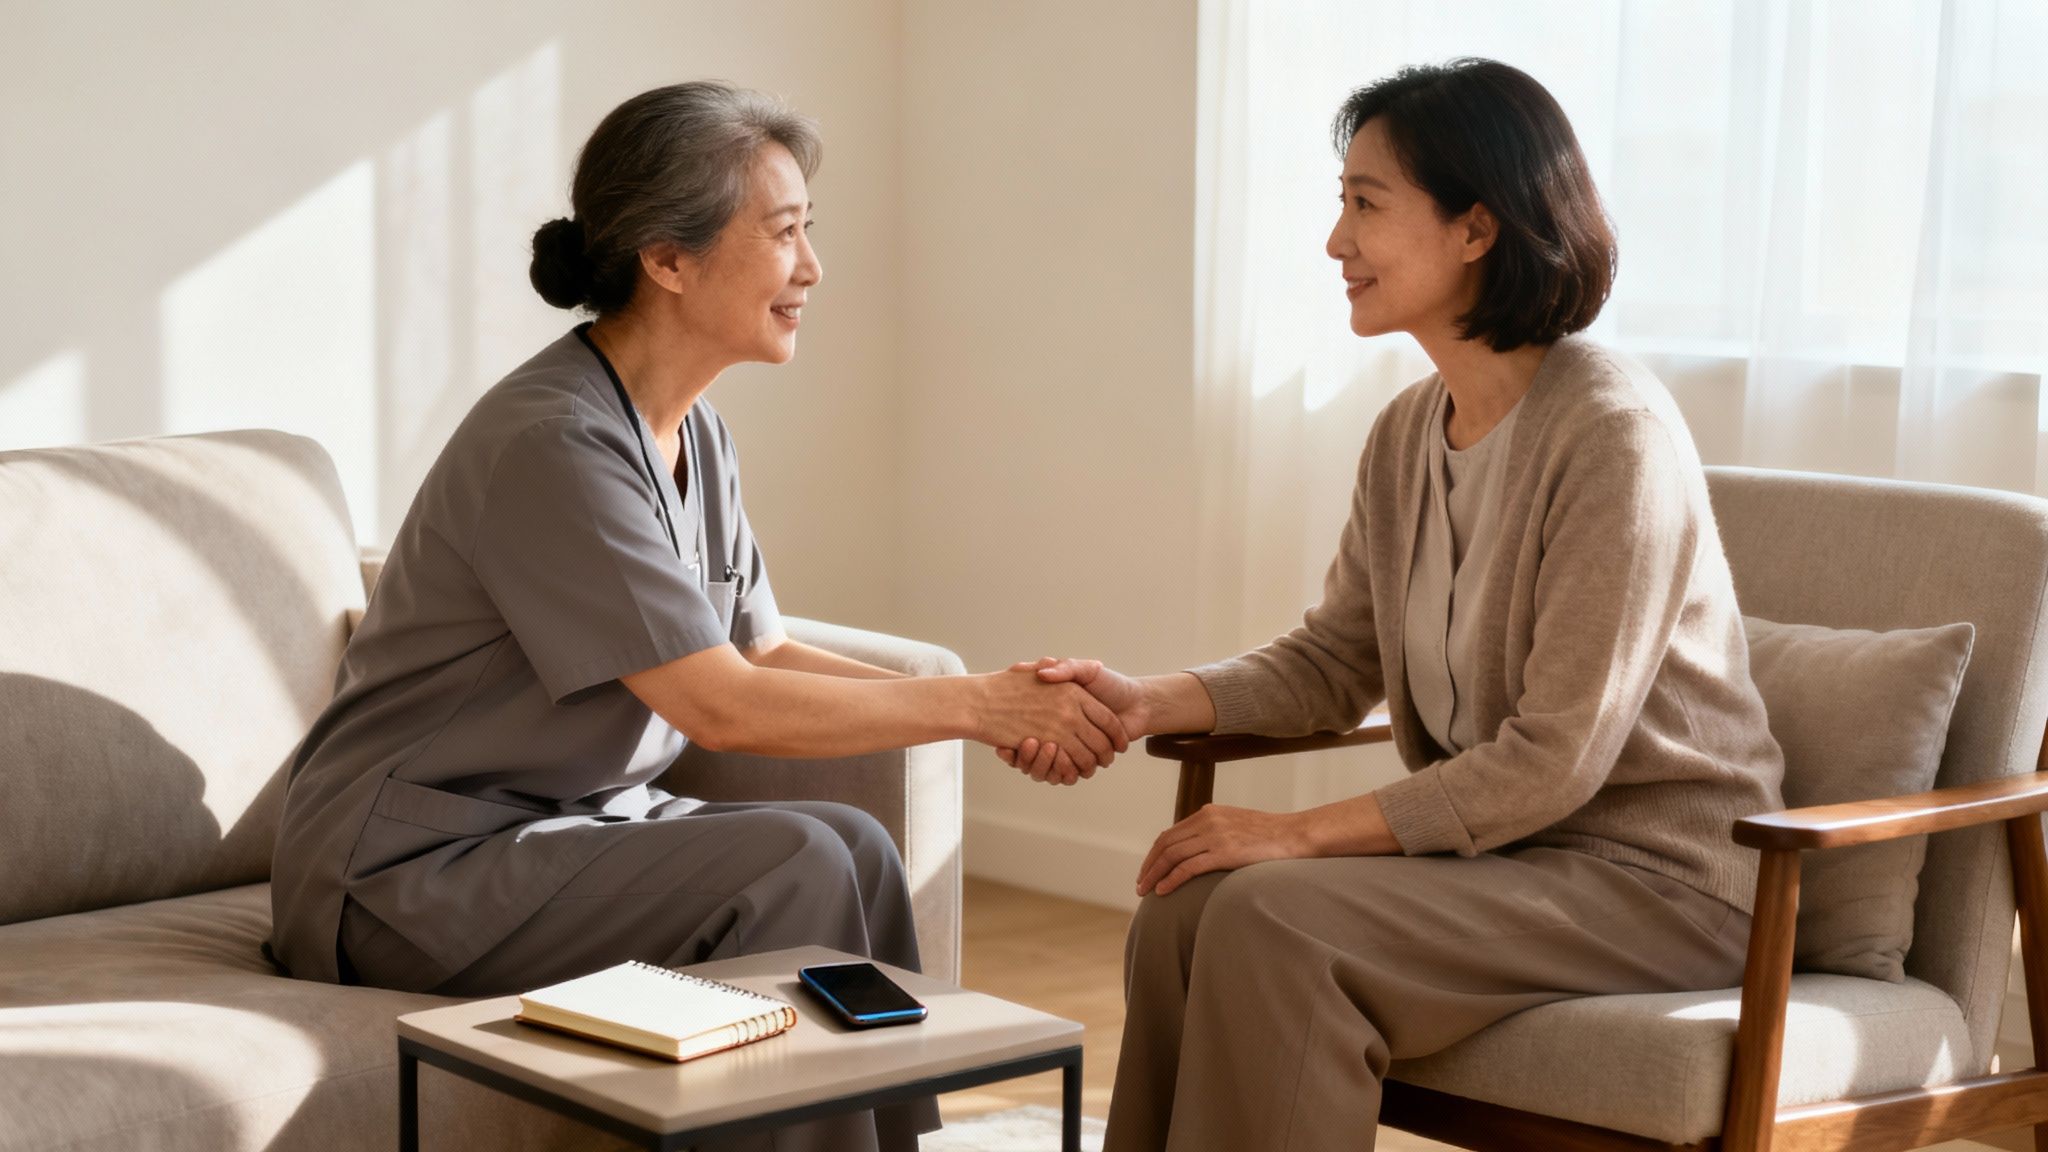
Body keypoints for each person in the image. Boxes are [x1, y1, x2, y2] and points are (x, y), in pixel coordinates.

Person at [268, 81, 1126, 1152]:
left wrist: (1001, 707)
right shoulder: (553, 445)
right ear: (665, 260)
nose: (811, 268)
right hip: (402, 876)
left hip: (562, 829)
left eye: (809, 232)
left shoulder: (693, 433)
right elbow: (720, 705)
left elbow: (762, 648)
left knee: (853, 844)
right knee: (792, 863)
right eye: (782, 234)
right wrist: (978, 708)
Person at [1003, 59, 1786, 1151]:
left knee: (1273, 919)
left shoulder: (1611, 435)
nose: (1335, 241)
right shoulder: (1409, 432)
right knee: (1181, 909)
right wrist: (1146, 702)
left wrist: (1296, 836)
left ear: (1476, 228)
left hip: (1655, 884)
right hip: (1512, 866)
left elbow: (1551, 758)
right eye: (1340, 203)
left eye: (1364, 204)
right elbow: (1335, 659)